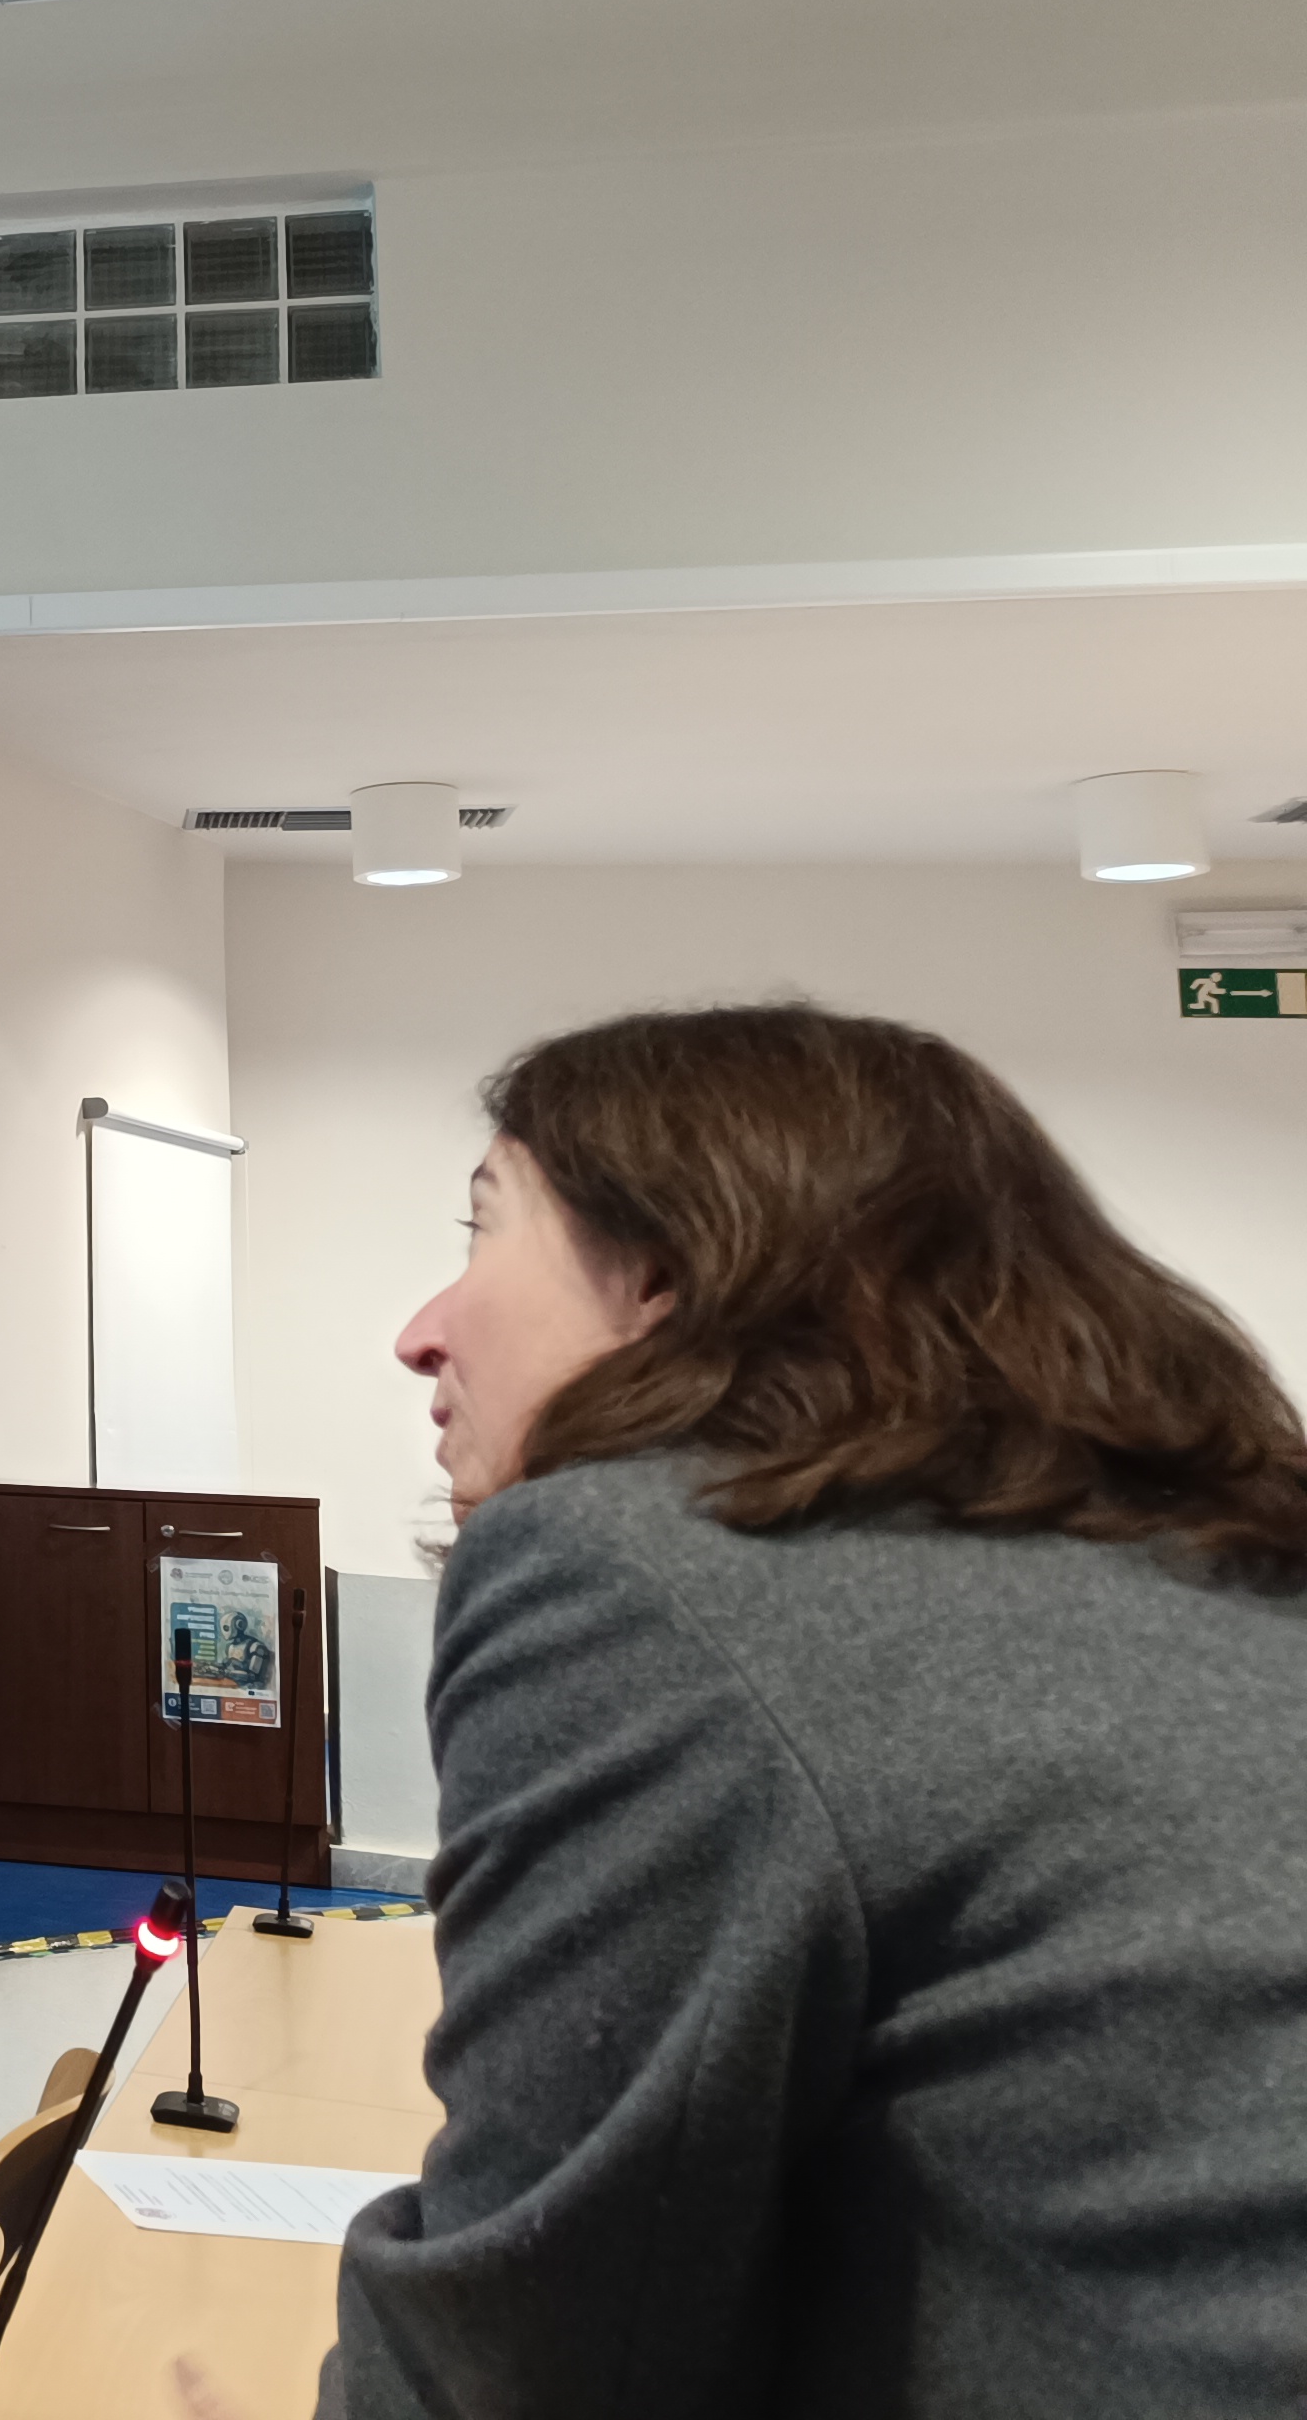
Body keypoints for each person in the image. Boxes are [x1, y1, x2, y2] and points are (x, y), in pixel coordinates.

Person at [258, 1005, 1307, 2420]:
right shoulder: (1219, 1563)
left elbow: (530, 2350)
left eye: (481, 1231)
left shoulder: (632, 1563)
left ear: (667, 1273)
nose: (418, 1335)